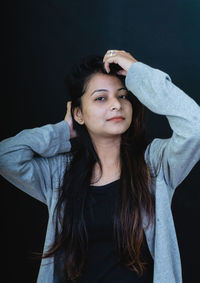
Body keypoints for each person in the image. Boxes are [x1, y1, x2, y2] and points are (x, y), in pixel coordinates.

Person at [0, 49, 200, 283]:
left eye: (123, 96)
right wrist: (63, 130)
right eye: (100, 98)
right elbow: (7, 156)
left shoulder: (156, 165)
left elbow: (195, 129)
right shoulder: (59, 174)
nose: (116, 104)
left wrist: (138, 72)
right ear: (79, 113)